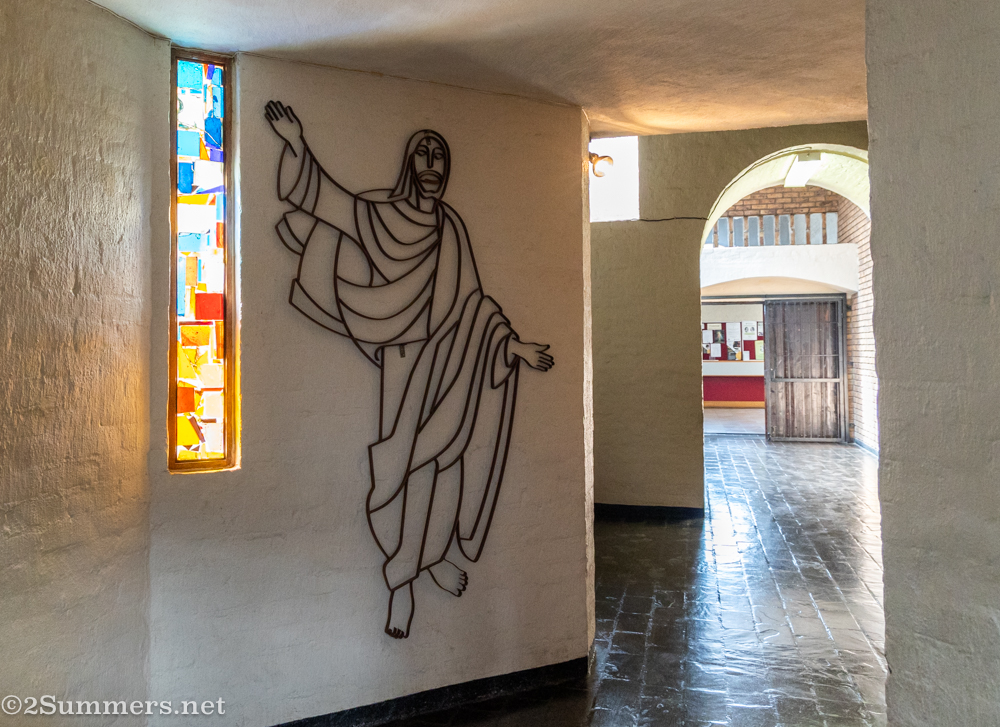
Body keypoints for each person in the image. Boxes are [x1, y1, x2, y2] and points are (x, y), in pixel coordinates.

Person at [264, 101, 554, 639]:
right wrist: (296, 144)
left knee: (444, 466)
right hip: (402, 362)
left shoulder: (452, 228)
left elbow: (474, 306)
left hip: (450, 362)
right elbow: (333, 204)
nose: (430, 161)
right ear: (408, 164)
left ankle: (425, 562)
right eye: (421, 152)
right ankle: (403, 575)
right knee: (399, 469)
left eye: (438, 154)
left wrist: (510, 347)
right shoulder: (383, 216)